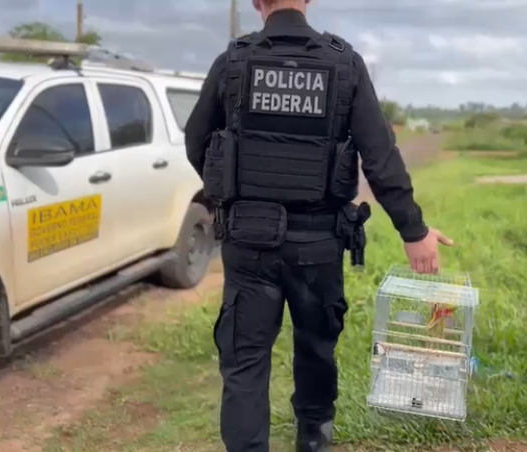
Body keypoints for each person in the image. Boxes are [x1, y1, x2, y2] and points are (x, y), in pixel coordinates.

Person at [184, 0, 452, 450]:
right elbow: (380, 158)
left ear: (256, 2)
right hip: (319, 245)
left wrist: (228, 195)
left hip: (249, 244)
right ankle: (314, 441)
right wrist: (414, 232)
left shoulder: (233, 61)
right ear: (308, 0)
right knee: (316, 352)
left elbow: (196, 142)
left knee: (245, 366)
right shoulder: (343, 64)